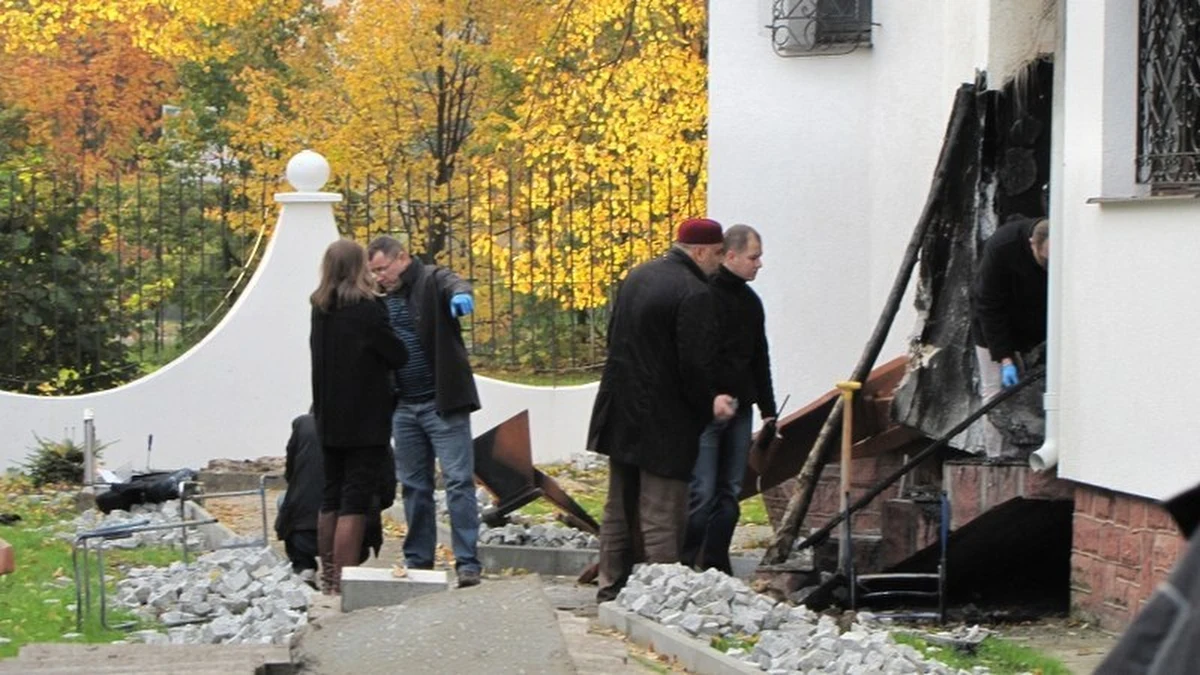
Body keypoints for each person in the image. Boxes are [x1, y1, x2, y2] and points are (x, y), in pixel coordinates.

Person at [587, 217, 737, 602]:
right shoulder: (695, 292)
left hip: (620, 408)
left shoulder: (638, 276)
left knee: (618, 504)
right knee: (663, 510)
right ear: (700, 251)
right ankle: (659, 595)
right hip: (665, 419)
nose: (719, 263)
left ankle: (610, 585)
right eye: (718, 254)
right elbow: (694, 364)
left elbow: (614, 335)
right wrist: (709, 401)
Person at [366, 235, 484, 588]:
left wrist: (462, 296)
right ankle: (418, 559)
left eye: (382, 269)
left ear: (402, 258)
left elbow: (454, 282)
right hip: (403, 406)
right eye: (373, 272)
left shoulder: (432, 281)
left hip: (442, 403)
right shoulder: (379, 300)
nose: (378, 277)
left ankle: (468, 563)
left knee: (459, 482)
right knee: (414, 486)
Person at [310, 239, 408, 594]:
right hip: (365, 418)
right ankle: (344, 581)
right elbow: (397, 354)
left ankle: (328, 575)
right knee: (355, 497)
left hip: (328, 416)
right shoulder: (368, 309)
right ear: (358, 268)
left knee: (331, 494)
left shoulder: (319, 307)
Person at [682, 224, 777, 575]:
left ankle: (716, 564)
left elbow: (759, 357)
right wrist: (709, 398)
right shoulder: (704, 294)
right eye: (754, 257)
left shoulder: (750, 302)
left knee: (730, 491)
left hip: (741, 408)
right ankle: (686, 561)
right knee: (703, 490)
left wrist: (767, 410)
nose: (759, 264)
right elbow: (695, 356)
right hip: (708, 408)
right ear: (731, 255)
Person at [274, 411, 394, 583]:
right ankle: (344, 571)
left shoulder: (303, 425)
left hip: (304, 538)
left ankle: (304, 566)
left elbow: (290, 475)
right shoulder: (374, 430)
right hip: (357, 541)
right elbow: (387, 489)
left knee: (283, 499)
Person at [969, 216, 1049, 457]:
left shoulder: (1062, 246)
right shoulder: (1002, 247)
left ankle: (1032, 450)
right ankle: (996, 456)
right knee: (995, 391)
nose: (1049, 266)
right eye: (1044, 260)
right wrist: (1004, 358)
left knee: (1035, 391)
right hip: (993, 324)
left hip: (1034, 326)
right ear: (1032, 244)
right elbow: (988, 306)